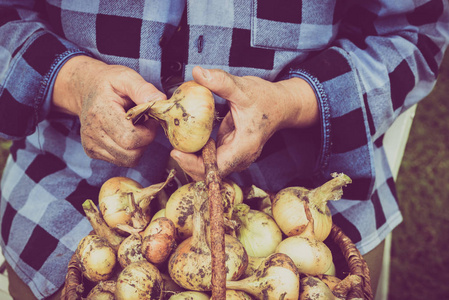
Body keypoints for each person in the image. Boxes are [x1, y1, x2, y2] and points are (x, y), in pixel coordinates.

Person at [0, 1, 448, 299]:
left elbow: (416, 33)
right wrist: (71, 83)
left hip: (300, 192)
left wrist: (293, 102)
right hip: (74, 186)